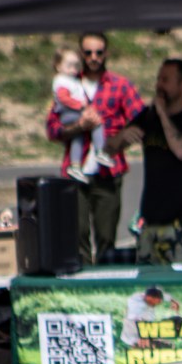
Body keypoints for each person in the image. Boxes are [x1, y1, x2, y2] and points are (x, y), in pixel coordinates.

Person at [46, 32, 144, 266]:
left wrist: (120, 140)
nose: (93, 57)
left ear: (106, 53)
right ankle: (83, 280)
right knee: (77, 236)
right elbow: (53, 129)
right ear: (81, 54)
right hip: (76, 172)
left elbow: (142, 120)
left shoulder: (120, 86)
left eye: (98, 52)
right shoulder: (69, 83)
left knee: (106, 238)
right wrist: (78, 126)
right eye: (88, 52)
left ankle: (104, 281)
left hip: (108, 172)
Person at [107, 58, 182, 265]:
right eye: (158, 79)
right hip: (152, 221)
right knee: (150, 284)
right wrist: (122, 136)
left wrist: (162, 113)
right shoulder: (148, 117)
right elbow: (108, 149)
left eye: (165, 80)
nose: (159, 85)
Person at [50, 47, 114, 185]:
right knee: (96, 122)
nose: (73, 69)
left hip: (73, 112)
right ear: (58, 66)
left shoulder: (73, 80)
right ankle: (100, 151)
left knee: (77, 137)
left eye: (76, 66)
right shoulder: (62, 81)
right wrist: (80, 106)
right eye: (69, 66)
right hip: (68, 113)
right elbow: (63, 98)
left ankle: (75, 165)